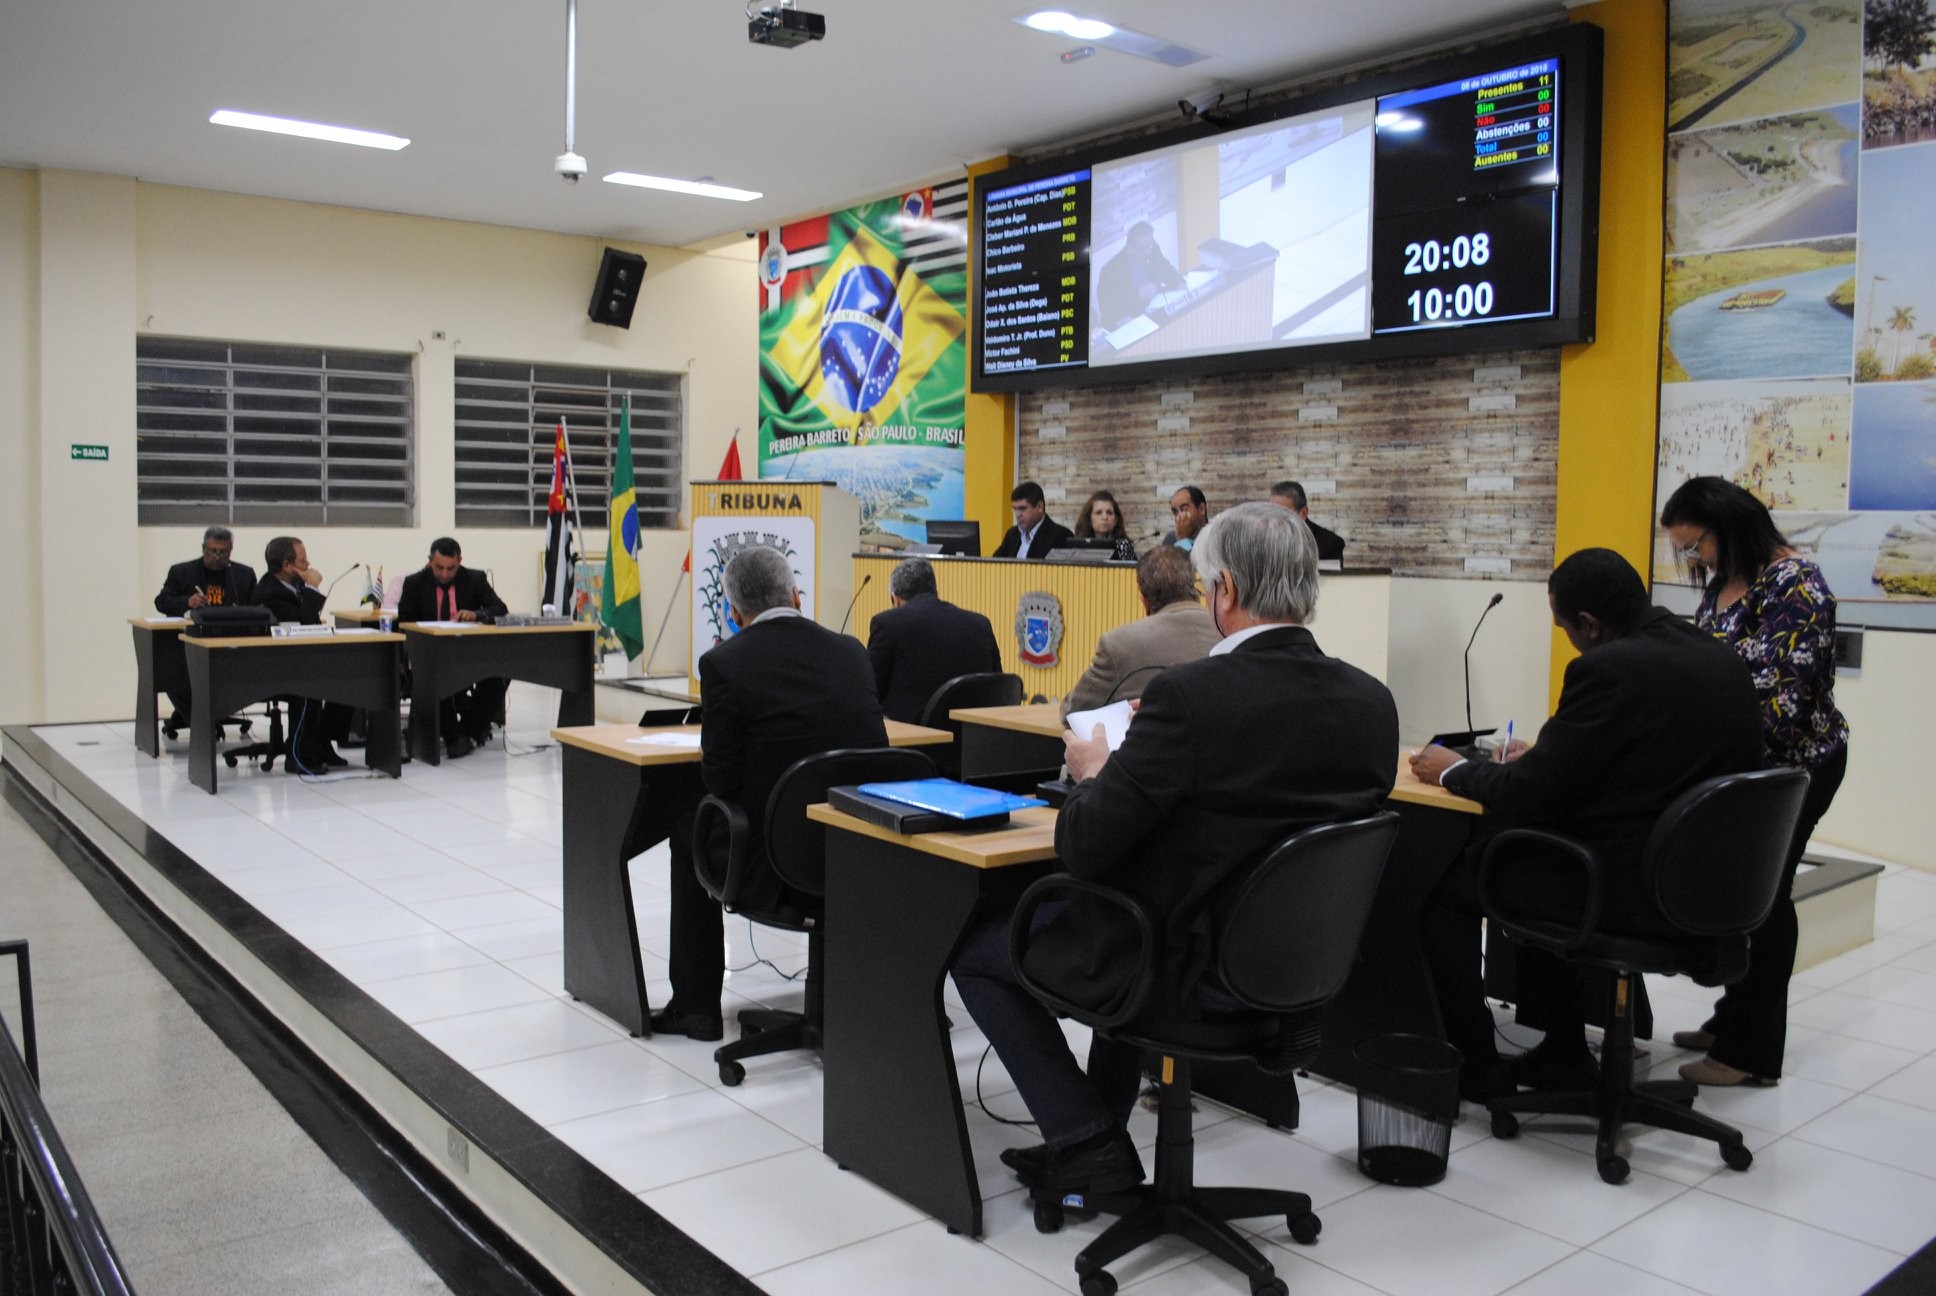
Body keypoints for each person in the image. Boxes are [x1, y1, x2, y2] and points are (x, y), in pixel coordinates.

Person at [953, 502, 1398, 1197]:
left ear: (1225, 589)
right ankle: (1102, 1128)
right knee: (1141, 916)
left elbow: (1085, 846)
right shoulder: (1372, 703)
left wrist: (1097, 774)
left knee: (977, 951)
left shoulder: (1190, 698)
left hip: (1177, 969)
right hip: (1294, 973)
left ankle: (1085, 1137)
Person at [1412, 548, 1762, 1101]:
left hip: (1625, 891)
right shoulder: (1718, 657)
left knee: (1452, 891)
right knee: (1531, 862)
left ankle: (1477, 1067)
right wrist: (1549, 754)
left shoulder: (1606, 669)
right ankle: (1563, 1053)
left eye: (1565, 629)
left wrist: (1452, 770)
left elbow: (1528, 796)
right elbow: (1650, 759)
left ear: (1590, 625)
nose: (1569, 641)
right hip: (1706, 889)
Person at [652, 546, 889, 1042]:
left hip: (775, 867)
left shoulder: (724, 663)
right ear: (796, 596)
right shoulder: (852, 652)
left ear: (733, 613)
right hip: (858, 853)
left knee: (687, 835)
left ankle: (696, 1009)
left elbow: (719, 780)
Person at [1660, 476, 1851, 1087]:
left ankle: (1750, 1053)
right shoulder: (1725, 581)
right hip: (1737, 765)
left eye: (1696, 544)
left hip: (1791, 767)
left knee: (1765, 901)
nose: (1694, 558)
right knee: (1741, 898)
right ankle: (1731, 1019)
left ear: (1729, 525)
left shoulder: (1797, 584)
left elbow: (1780, 705)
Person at [1059, 546, 1220, 718]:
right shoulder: (1227, 632)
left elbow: (1074, 711)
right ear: (1195, 586)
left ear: (1144, 601)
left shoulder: (1118, 644)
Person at [395, 537, 511, 758]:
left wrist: (477, 614)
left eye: (451, 568)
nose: (445, 574)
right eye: (439, 568)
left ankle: (467, 731)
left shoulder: (474, 579)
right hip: (428, 654)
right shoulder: (414, 583)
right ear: (430, 561)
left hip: (467, 652)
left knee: (499, 676)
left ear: (460, 561)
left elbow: (500, 609)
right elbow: (404, 622)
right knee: (438, 674)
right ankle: (455, 739)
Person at [251, 536, 351, 770]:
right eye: (303, 560)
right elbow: (302, 623)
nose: (308, 564)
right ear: (287, 565)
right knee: (308, 685)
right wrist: (312, 587)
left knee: (349, 677)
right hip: (275, 666)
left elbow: (309, 621)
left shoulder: (292, 586)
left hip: (300, 659)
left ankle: (322, 742)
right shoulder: (269, 592)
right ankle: (299, 755)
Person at [865, 557, 1003, 724]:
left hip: (914, 737)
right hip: (973, 735)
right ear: (936, 592)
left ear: (896, 599)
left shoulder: (887, 624)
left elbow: (869, 692)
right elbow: (999, 689)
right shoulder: (981, 624)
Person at [153, 526, 258, 732]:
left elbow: (257, 607)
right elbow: (162, 602)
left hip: (231, 645)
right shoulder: (181, 572)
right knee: (173, 673)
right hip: (190, 643)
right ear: (203, 548)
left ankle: (205, 717)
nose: (217, 557)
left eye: (223, 552)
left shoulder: (243, 575)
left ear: (231, 550)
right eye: (212, 551)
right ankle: (200, 721)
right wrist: (187, 601)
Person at [1096, 221, 1185, 328]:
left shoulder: (1152, 248)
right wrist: (1138, 294)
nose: (1149, 251)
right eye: (1144, 248)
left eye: (1151, 244)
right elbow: (1108, 308)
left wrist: (1179, 283)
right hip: (1131, 318)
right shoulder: (1110, 271)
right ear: (1129, 249)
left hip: (1154, 309)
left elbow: (1166, 268)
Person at [1269, 480, 1346, 563]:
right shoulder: (1263, 538)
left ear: (1303, 513)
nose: (1275, 519)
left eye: (1283, 513)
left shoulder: (1330, 544)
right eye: (1272, 511)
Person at [992, 481, 1074, 559]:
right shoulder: (1012, 534)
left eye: (1022, 508)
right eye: (1014, 509)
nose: (1017, 514)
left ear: (1040, 507)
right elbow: (994, 564)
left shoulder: (1061, 536)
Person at [1072, 489, 1137, 561]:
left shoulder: (1123, 546)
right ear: (1089, 519)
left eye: (1109, 513)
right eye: (1098, 513)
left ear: (1115, 520)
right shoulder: (1078, 546)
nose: (1105, 517)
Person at [1163, 485, 1208, 551]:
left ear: (1202, 509)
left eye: (1184, 509)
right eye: (1175, 512)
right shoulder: (1170, 539)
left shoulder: (1215, 537)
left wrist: (1182, 540)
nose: (1179, 516)